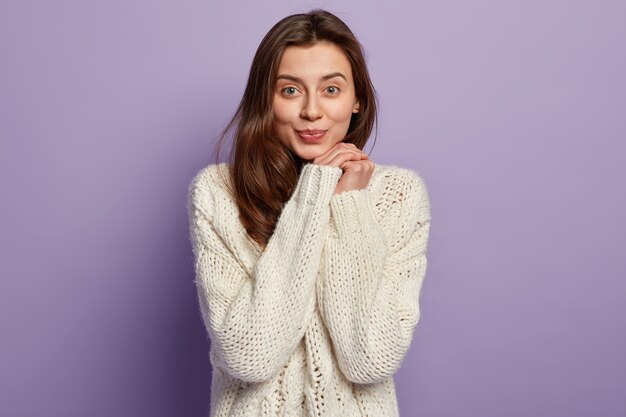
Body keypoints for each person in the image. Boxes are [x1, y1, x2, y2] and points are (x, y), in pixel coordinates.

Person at [187, 9, 431, 417]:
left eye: (331, 90)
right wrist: (316, 190)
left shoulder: (400, 195)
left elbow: (368, 360)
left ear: (358, 101)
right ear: (266, 100)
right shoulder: (218, 193)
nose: (312, 111)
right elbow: (251, 357)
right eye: (290, 90)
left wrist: (349, 205)